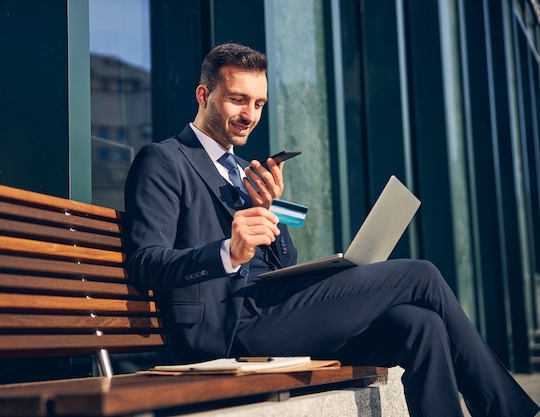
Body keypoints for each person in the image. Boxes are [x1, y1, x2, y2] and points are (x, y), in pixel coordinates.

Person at [124, 42, 538, 417]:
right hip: (231, 327)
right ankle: (503, 408)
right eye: (238, 100)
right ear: (204, 95)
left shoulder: (242, 172)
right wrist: (227, 253)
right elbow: (146, 264)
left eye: (259, 103)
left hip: (273, 311)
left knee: (419, 325)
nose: (250, 115)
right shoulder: (164, 160)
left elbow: (285, 260)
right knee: (421, 273)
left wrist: (267, 210)